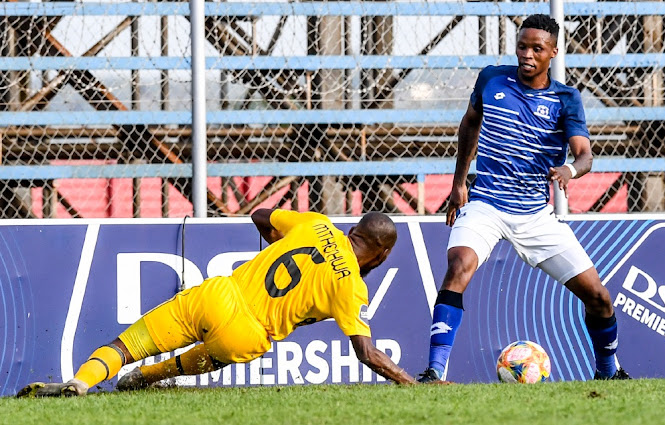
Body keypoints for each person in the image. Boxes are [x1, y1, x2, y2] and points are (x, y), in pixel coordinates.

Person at [417, 14, 629, 383]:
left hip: (535, 215)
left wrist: (570, 171)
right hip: (485, 204)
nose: (527, 54)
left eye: (537, 48)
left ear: (553, 53)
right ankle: (434, 371)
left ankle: (608, 371)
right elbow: (470, 123)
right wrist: (459, 183)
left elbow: (584, 155)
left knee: (599, 298)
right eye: (522, 46)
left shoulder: (565, 99)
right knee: (457, 268)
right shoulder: (491, 79)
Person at [18, 208, 416, 397]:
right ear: (380, 256)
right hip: (247, 336)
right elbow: (365, 352)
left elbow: (260, 215)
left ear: (352, 229)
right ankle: (148, 378)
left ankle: (82, 382)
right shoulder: (351, 286)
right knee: (213, 354)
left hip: (219, 295)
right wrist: (411, 383)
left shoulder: (317, 224)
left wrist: (278, 245)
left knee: (127, 346)